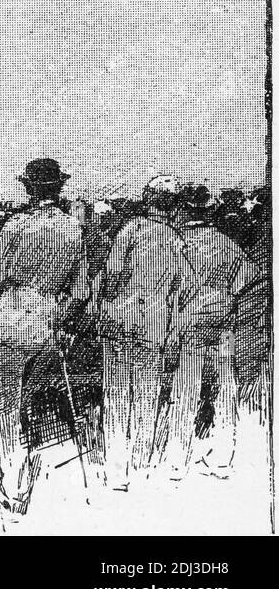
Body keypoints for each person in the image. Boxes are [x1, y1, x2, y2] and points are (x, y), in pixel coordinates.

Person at [0, 158, 90, 514]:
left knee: (6, 408)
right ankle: (26, 485)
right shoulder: (73, 229)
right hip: (47, 323)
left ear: (28, 188)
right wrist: (59, 315)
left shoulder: (15, 226)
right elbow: (81, 290)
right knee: (37, 406)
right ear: (59, 189)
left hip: (10, 321)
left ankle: (7, 485)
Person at [97, 175, 201, 490]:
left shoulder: (131, 229)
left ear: (147, 199)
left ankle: (117, 472)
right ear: (174, 206)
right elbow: (182, 292)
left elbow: (112, 274)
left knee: (116, 395)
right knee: (146, 396)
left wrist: (105, 303)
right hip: (154, 327)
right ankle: (140, 467)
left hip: (120, 321)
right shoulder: (178, 241)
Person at [164, 184, 264, 475]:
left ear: (182, 210)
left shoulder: (175, 244)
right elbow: (249, 281)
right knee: (224, 386)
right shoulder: (225, 243)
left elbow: (166, 288)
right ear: (209, 211)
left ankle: (178, 458)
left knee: (186, 388)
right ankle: (222, 457)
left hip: (189, 323)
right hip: (223, 323)